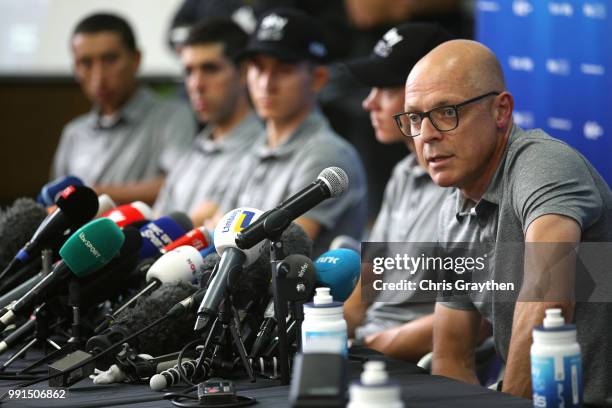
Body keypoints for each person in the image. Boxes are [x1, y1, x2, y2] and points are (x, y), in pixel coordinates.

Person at [399, 39, 612, 404]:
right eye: (415, 118)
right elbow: (452, 357)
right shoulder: (454, 211)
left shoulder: (544, 166)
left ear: (501, 111)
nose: (427, 134)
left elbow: (548, 304)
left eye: (446, 112)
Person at [214, 8, 368, 255]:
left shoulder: (328, 153)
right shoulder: (255, 147)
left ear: (317, 78)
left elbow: (277, 253)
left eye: (283, 69)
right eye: (258, 68)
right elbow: (216, 225)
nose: (266, 83)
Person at [341, 23, 453, 361]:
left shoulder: (466, 182)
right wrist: (323, 334)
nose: (368, 102)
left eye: (385, 89)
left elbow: (479, 320)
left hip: (416, 363)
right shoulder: (402, 173)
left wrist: (369, 348)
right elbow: (369, 277)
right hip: (369, 348)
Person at [52, 13, 196, 205]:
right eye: (86, 63)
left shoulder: (173, 116)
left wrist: (98, 194)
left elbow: (183, 184)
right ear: (75, 68)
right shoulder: (74, 133)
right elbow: (55, 201)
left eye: (110, 59)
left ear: (136, 59)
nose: (99, 77)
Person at [153, 19, 263, 223]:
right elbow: (158, 224)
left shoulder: (262, 149)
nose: (196, 84)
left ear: (244, 73)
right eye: (189, 71)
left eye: (210, 69)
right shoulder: (193, 150)